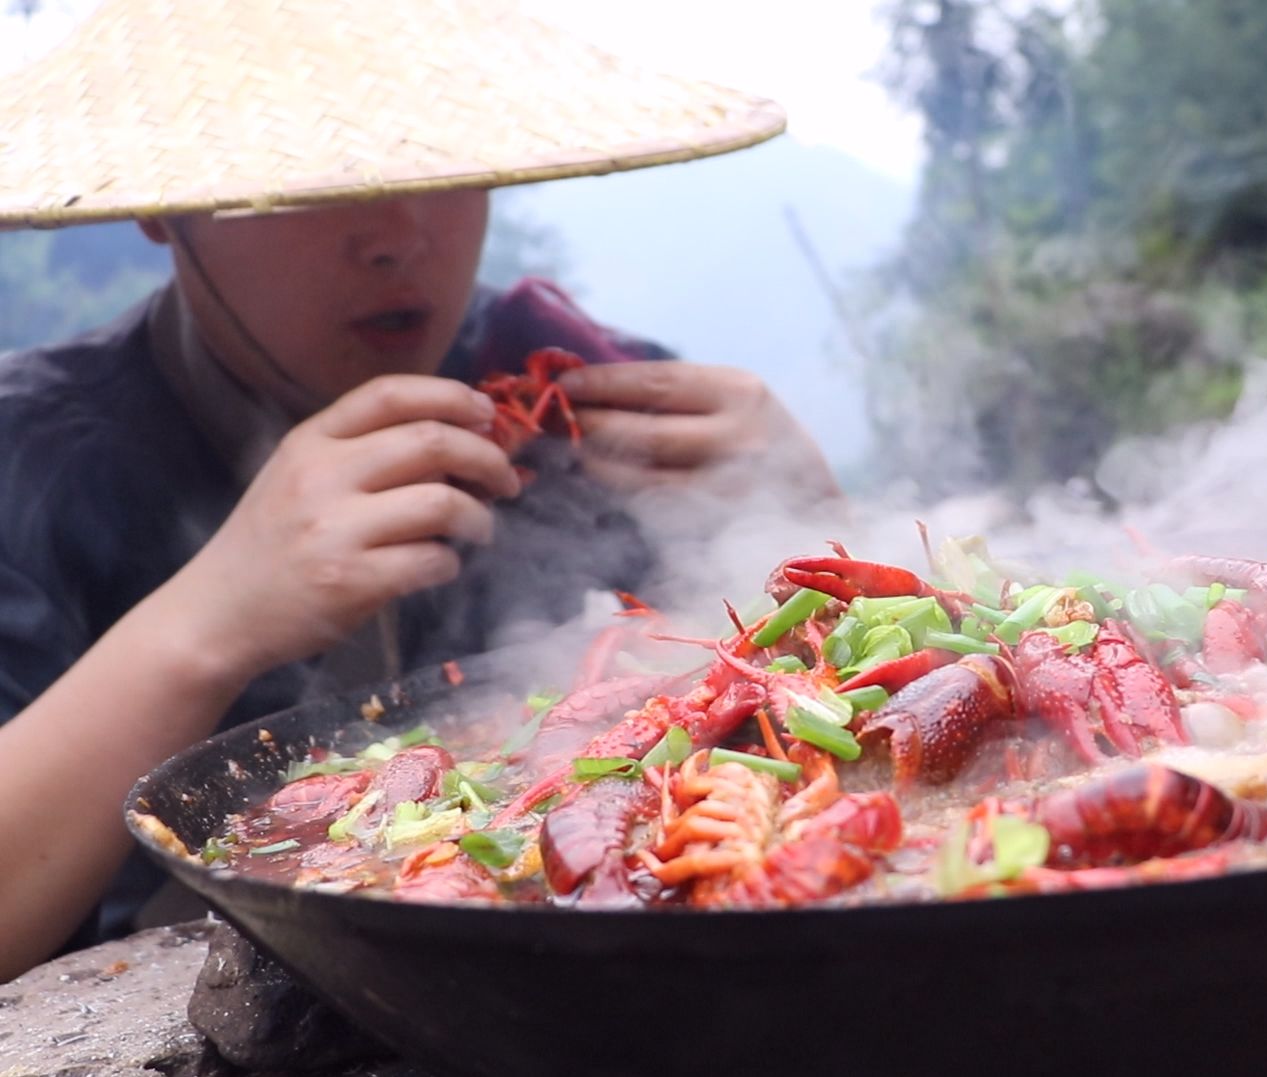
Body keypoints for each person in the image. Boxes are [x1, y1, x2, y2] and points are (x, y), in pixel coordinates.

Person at [0, 0, 839, 981]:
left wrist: (812, 532)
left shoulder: (595, 407)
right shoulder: (34, 459)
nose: (398, 235)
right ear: (162, 202)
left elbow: (829, 743)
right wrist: (210, 619)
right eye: (309, 181)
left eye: (441, 169)